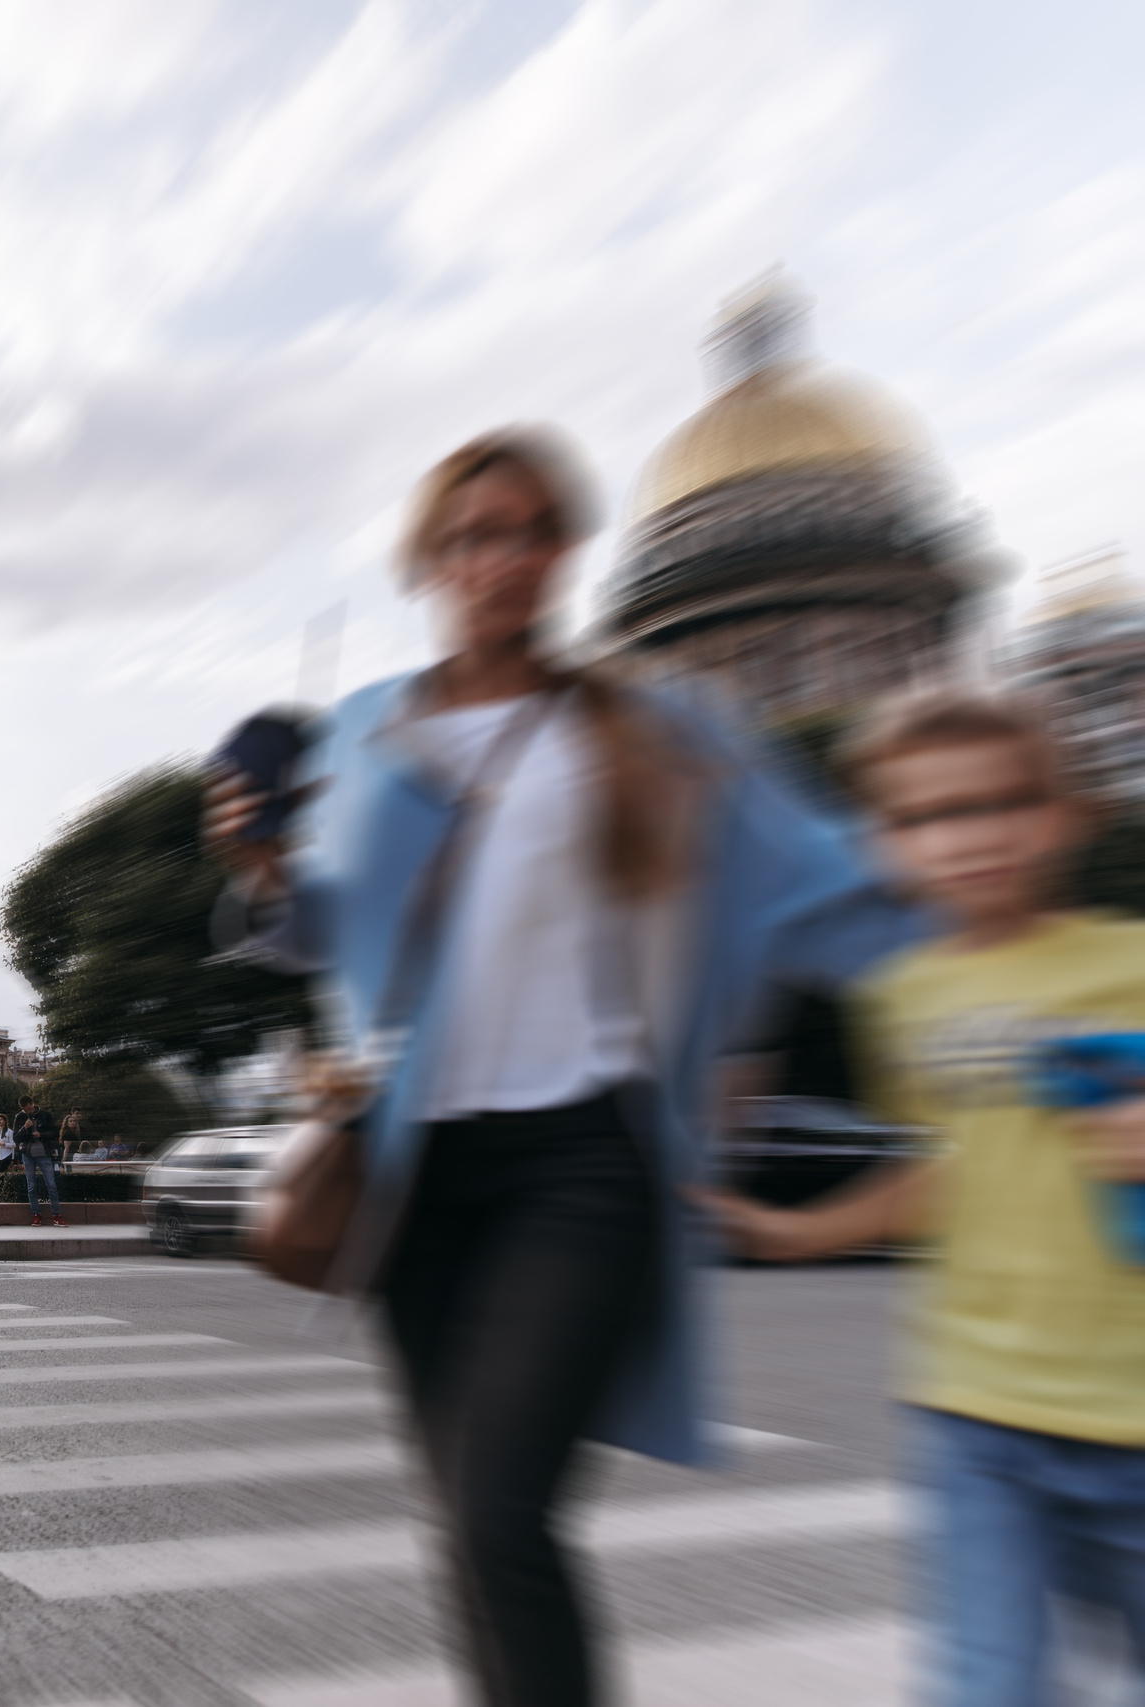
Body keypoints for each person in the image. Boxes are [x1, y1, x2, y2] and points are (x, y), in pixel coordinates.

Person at [202, 425, 917, 1707]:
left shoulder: (651, 728)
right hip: (415, 1169)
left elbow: (825, 881)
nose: (501, 558)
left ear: (565, 552)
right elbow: (331, 920)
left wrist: (1003, 946)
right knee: (467, 1522)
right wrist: (261, 869)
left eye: (530, 530)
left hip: (582, 1162)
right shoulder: (370, 730)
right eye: (473, 535)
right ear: (431, 559)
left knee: (498, 1508)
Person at [700, 692, 1145, 1704]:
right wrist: (798, 1228)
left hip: (1135, 1414)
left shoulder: (1131, 964)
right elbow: (949, 1167)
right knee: (985, 1688)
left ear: (1070, 811)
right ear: (880, 844)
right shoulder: (905, 995)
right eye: (923, 817)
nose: (967, 837)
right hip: (977, 1416)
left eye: (1003, 802)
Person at [15, 1097, 65, 1228]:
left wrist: (41, 1135)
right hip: (28, 1154)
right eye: (26, 1110)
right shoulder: (20, 1117)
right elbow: (16, 1137)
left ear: (33, 1104)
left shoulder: (45, 1115)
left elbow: (54, 1132)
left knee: (51, 1184)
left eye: (30, 1109)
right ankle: (36, 1214)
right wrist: (24, 1128)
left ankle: (56, 1215)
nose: (29, 1112)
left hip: (44, 1154)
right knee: (31, 1186)